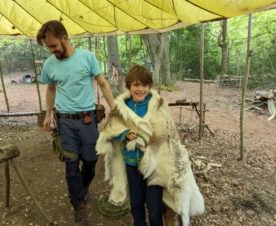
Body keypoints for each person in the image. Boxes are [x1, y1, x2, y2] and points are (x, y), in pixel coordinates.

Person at [96, 65, 205, 226]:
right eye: (136, 85)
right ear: (129, 86)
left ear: (149, 86)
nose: (141, 89)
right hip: (131, 164)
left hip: (155, 166)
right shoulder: (121, 108)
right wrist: (125, 134)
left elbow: (169, 133)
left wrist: (151, 136)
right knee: (136, 206)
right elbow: (111, 129)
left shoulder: (159, 105)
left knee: (154, 208)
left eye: (145, 85)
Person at [36, 20, 115, 225]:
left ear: (65, 38)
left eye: (53, 45)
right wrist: (47, 115)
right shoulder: (50, 64)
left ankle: (82, 187)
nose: (52, 50)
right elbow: (51, 89)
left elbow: (103, 83)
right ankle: (78, 204)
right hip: (65, 122)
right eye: (48, 47)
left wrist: (114, 108)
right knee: (71, 165)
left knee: (90, 161)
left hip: (88, 120)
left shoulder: (87, 57)